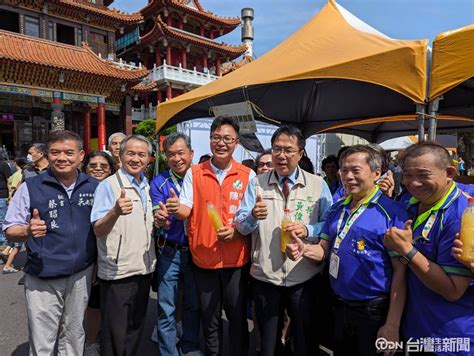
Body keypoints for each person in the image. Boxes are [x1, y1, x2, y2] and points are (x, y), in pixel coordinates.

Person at [287, 145, 409, 356]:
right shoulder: (337, 209)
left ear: (376, 173)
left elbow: (401, 272)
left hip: (373, 310)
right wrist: (304, 249)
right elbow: (324, 250)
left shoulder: (392, 213)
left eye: (355, 170)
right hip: (339, 305)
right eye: (344, 170)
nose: (348, 176)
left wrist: (392, 325)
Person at [236, 125, 333, 356]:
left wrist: (308, 228)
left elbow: (330, 224)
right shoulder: (256, 183)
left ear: (300, 153)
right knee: (268, 344)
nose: (281, 155)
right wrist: (252, 216)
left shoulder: (318, 184)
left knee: (303, 340)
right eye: (277, 149)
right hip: (266, 276)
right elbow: (240, 225)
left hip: (304, 275)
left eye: (289, 150)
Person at [3, 130, 98, 355]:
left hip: (81, 273)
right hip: (43, 275)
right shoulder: (31, 187)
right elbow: (10, 230)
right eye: (55, 152)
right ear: (48, 155)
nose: (61, 158)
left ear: (81, 155)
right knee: (43, 337)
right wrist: (27, 229)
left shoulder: (93, 186)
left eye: (68, 152)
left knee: (74, 334)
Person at [166, 117, 254, 356]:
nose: (221, 143)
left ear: (236, 142)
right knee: (210, 317)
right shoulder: (195, 173)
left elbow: (251, 216)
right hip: (204, 258)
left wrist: (236, 230)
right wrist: (176, 208)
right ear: (210, 140)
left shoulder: (247, 175)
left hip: (236, 260)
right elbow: (185, 209)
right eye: (216, 137)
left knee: (236, 317)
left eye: (227, 138)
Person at [384, 142, 474, 354]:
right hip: (415, 328)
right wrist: (393, 325)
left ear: (449, 173)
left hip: (452, 337)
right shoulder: (409, 203)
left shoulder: (463, 214)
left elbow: (452, 291)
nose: (414, 184)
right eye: (407, 175)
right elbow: (402, 269)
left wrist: (408, 251)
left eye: (423, 175)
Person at [91, 134, 156, 356]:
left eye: (142, 154)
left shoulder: (146, 186)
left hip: (144, 268)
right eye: (131, 153)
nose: (136, 159)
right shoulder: (108, 186)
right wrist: (115, 212)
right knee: (114, 335)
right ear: (119, 155)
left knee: (135, 329)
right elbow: (98, 229)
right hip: (118, 273)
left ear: (149, 159)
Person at [151, 133, 201, 356]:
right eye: (171, 154)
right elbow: (156, 211)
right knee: (166, 306)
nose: (177, 158)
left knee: (192, 304)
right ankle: (168, 351)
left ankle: (190, 347)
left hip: (197, 251)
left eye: (181, 153)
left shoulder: (202, 179)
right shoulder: (159, 181)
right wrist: (160, 218)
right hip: (168, 250)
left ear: (191, 154)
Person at [82, 151, 115, 356]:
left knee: (111, 303)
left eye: (104, 165)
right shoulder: (80, 189)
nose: (98, 168)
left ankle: (107, 339)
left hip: (112, 254)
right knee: (92, 304)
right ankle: (91, 341)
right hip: (87, 253)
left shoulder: (115, 187)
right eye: (93, 165)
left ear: (111, 168)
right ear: (85, 167)